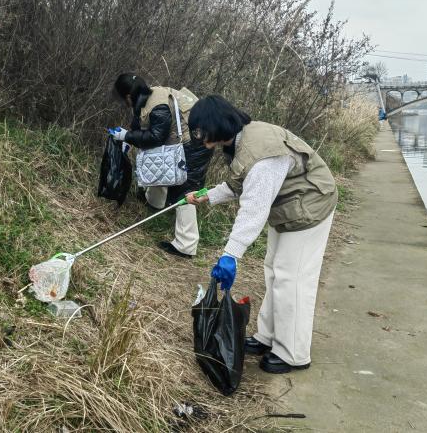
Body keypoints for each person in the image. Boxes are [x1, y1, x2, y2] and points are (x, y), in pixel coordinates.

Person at [185, 95, 337, 374]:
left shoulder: (263, 155)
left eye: (200, 131)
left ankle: (292, 352)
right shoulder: (240, 140)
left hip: (310, 205)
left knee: (292, 279)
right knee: (274, 271)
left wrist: (231, 254)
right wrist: (207, 195)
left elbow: (254, 209)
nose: (199, 137)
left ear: (216, 125)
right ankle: (267, 337)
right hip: (289, 206)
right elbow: (239, 184)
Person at [108, 73, 213, 258]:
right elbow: (142, 128)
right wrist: (128, 139)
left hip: (197, 143)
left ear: (128, 96)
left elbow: (155, 138)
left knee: (185, 190)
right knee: (159, 163)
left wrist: (127, 136)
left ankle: (186, 245)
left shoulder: (158, 106)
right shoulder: (145, 98)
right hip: (186, 139)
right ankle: (155, 203)